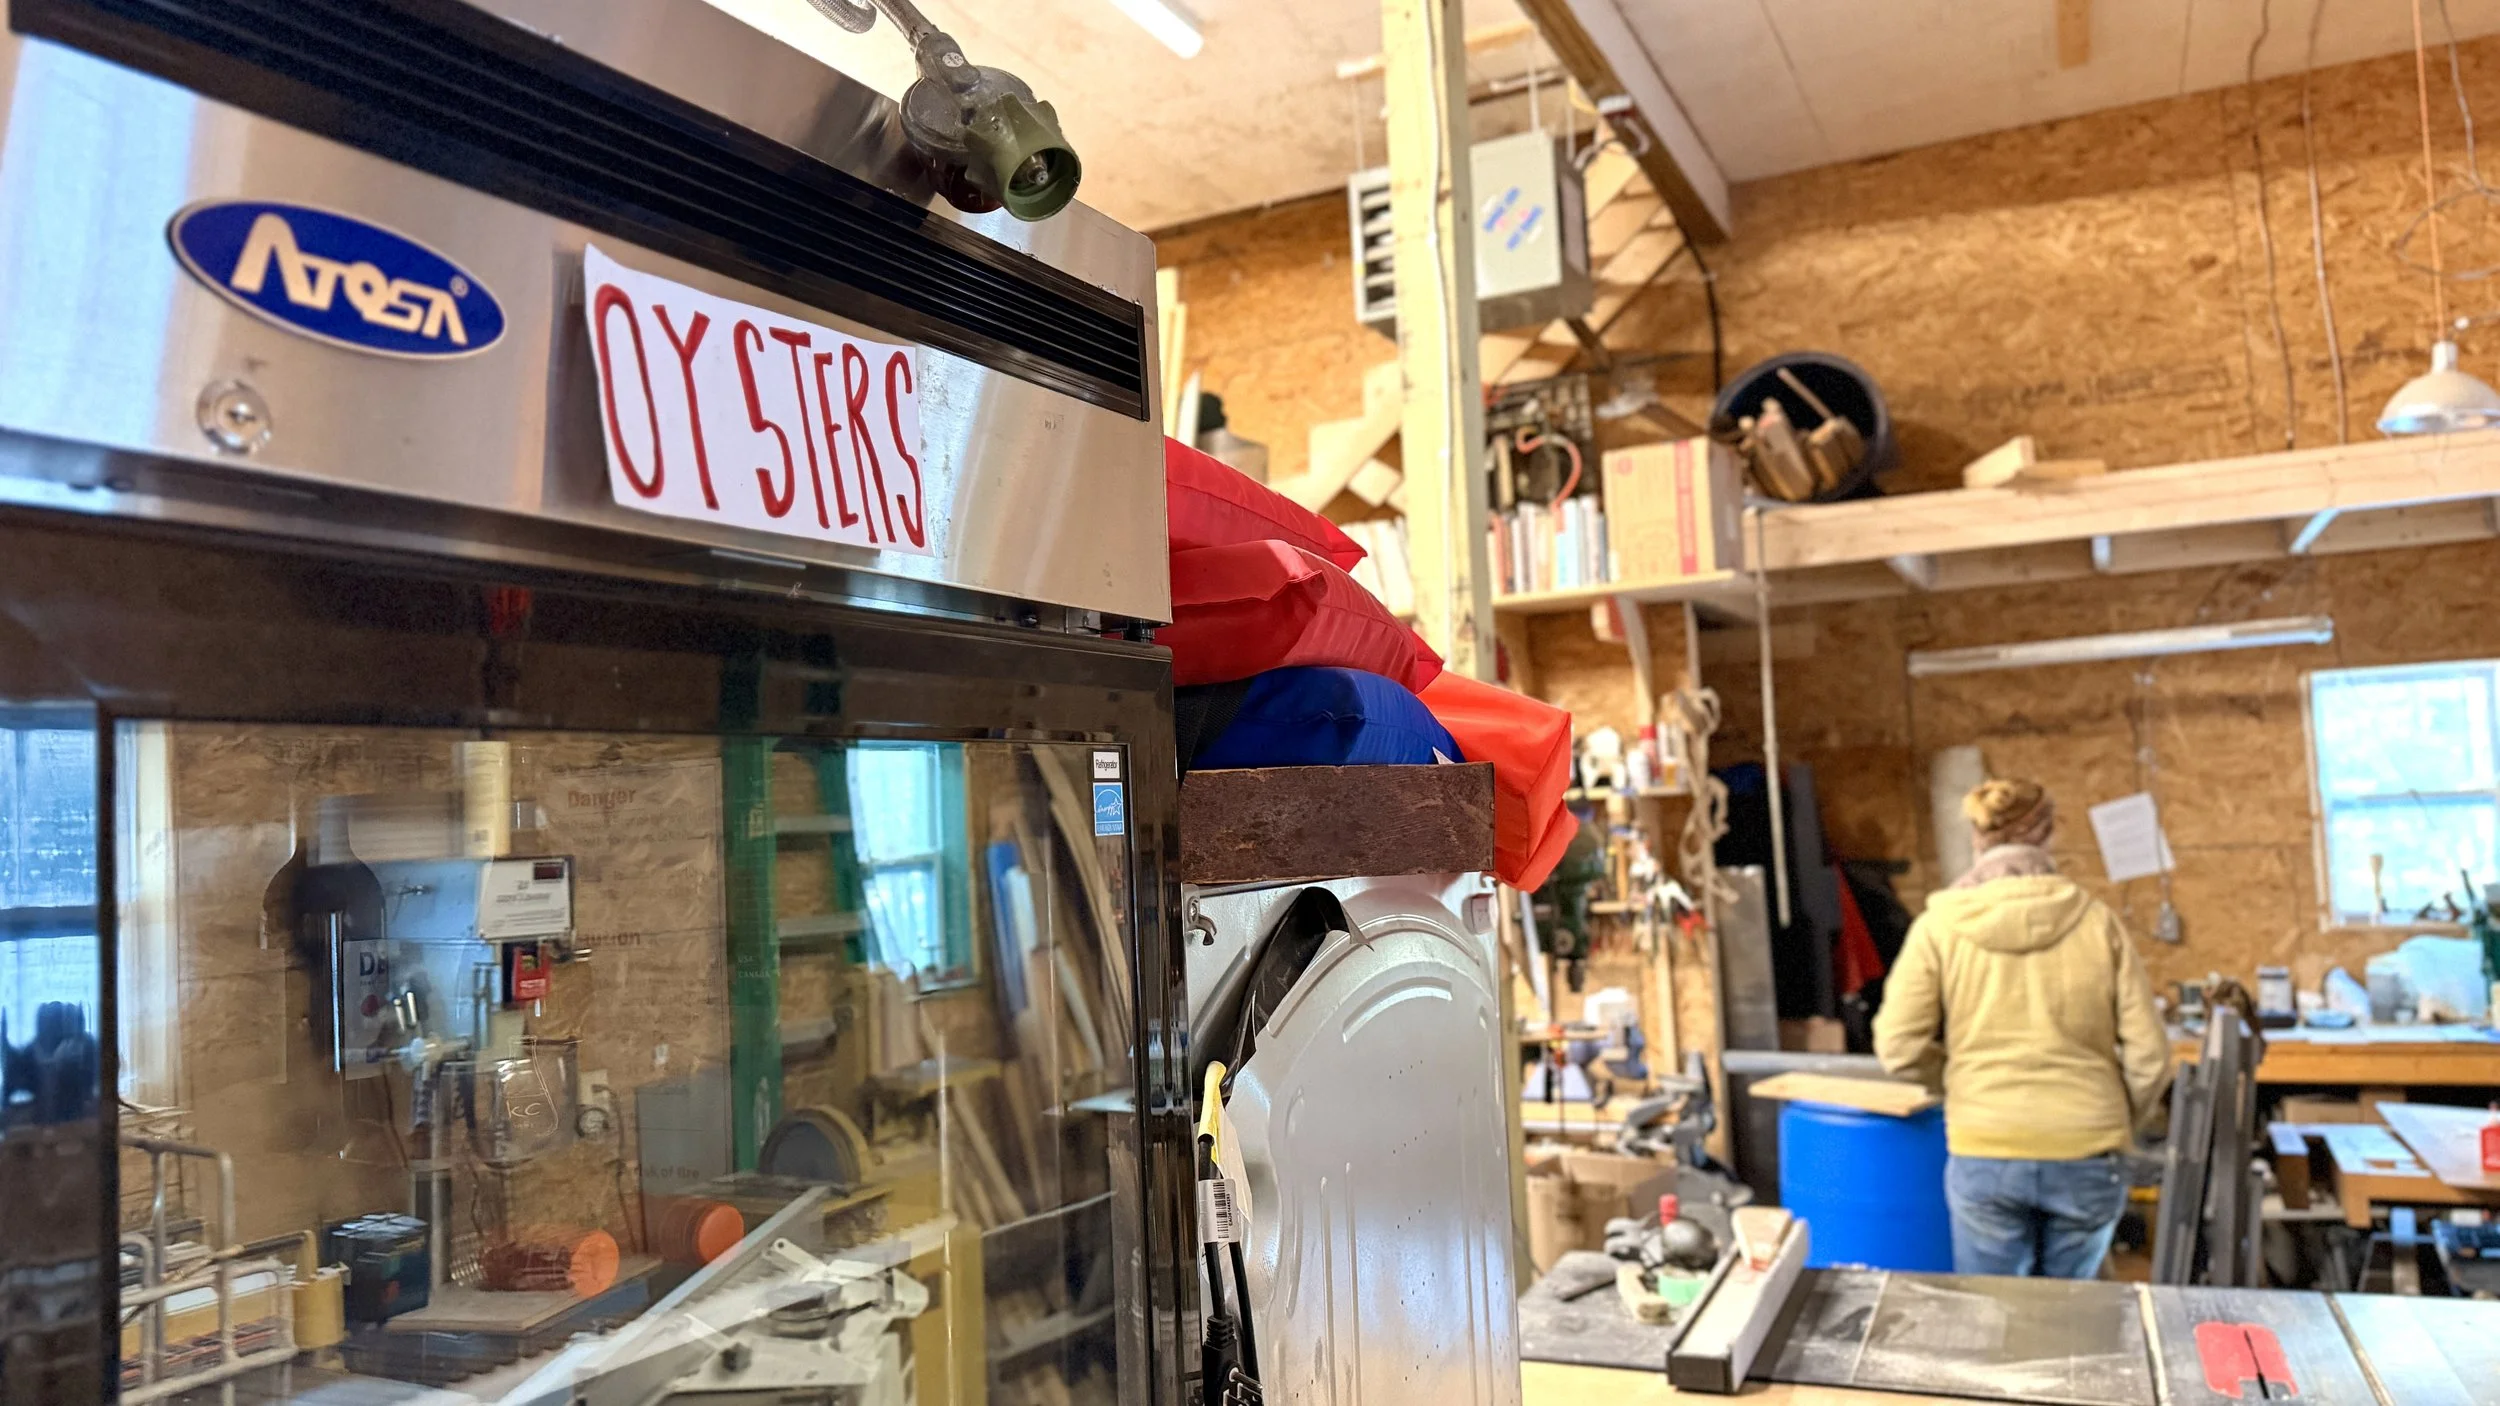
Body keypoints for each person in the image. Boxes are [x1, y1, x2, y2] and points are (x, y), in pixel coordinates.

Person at [1873, 777, 2171, 1278]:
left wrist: (1957, 1081)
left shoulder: (1939, 927)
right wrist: (2119, 1116)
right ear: (2048, 834)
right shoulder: (2097, 923)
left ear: (1977, 840)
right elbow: (2151, 1056)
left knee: (1996, 1322)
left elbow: (1899, 1047)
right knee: (2073, 1321)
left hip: (1986, 1142)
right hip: (2087, 1144)